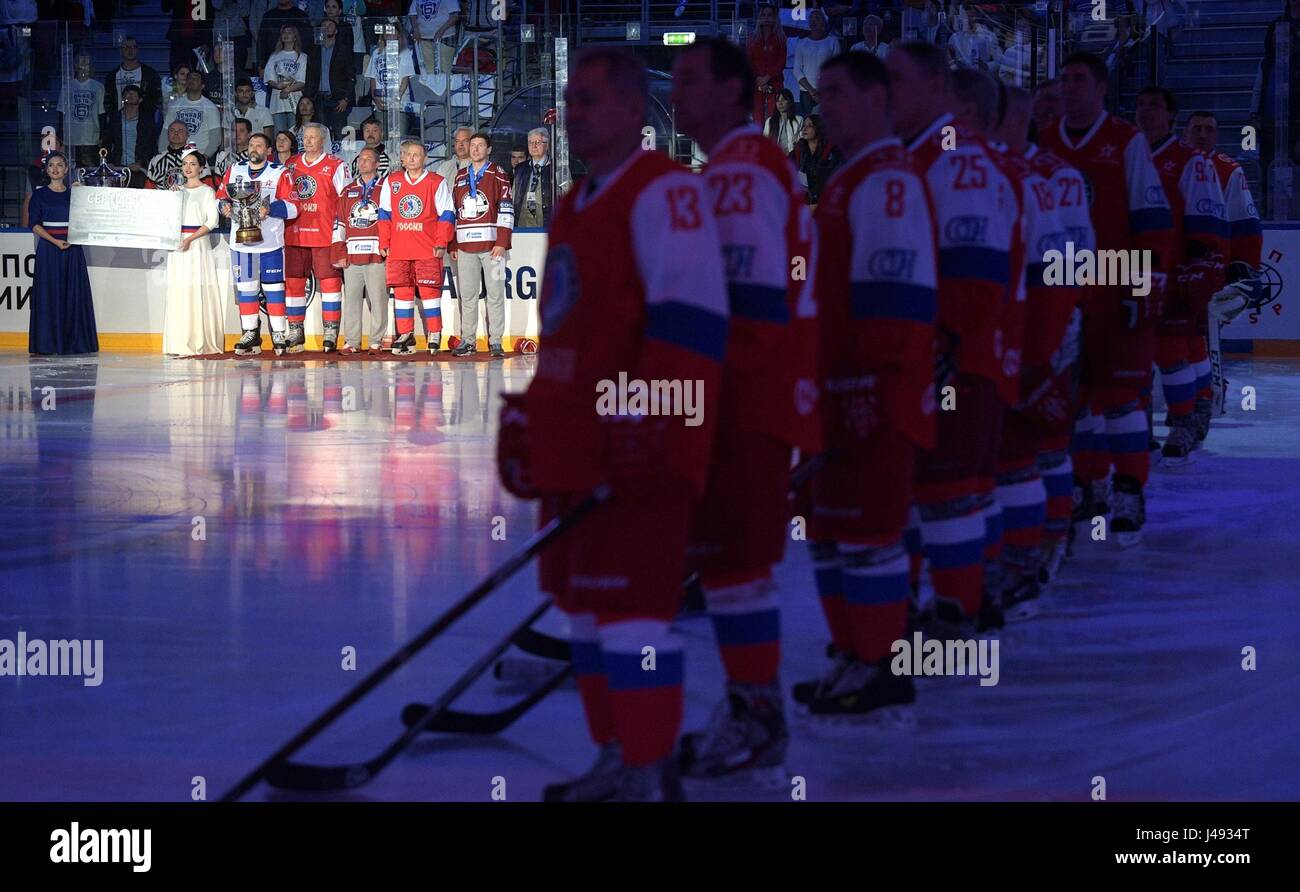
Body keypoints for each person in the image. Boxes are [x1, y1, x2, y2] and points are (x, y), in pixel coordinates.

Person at [500, 46, 728, 802]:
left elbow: (692, 324)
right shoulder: (575, 201)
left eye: (590, 99)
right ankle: (614, 760)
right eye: (570, 99)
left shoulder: (667, 193)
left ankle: (649, 765)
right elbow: (566, 330)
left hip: (639, 455)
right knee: (589, 614)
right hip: (580, 452)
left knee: (636, 619)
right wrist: (532, 419)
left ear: (635, 111)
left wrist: (653, 423)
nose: (573, 112)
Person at [667, 37, 819, 773]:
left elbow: (752, 299)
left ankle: (758, 714)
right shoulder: (735, 166)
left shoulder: (743, 169)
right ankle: (754, 708)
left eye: (692, 79)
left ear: (733, 92)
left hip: (745, 395)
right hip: (746, 390)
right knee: (731, 561)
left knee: (738, 561)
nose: (676, 91)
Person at [885, 41, 1018, 636]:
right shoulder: (912, 156)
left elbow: (974, 268)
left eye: (897, 79)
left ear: (936, 90)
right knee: (921, 492)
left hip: (957, 364)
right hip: (928, 360)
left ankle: (960, 615)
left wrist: (949, 346)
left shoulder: (957, 157)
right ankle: (945, 606)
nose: (885, 90)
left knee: (948, 491)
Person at [1038, 51, 1174, 547]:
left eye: (1078, 80)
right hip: (1058, 288)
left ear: (1100, 89)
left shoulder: (1126, 141)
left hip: (1112, 285)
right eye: (1064, 80)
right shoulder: (1046, 142)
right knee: (1074, 403)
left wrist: (1143, 286)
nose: (1068, 88)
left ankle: (1128, 489)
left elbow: (1153, 221)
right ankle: (1086, 485)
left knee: (1119, 399)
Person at [999, 85, 1095, 591]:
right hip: (1003, 335)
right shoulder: (987, 170)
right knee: (1007, 450)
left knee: (1049, 441)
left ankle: (1052, 541)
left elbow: (1077, 255)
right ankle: (1014, 550)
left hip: (1052, 326)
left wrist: (1057, 328)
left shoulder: (1058, 176)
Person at [1134, 86, 1228, 466]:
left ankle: (1184, 421)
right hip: (1129, 267)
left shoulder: (1190, 160)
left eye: (1154, 105)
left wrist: (1200, 268)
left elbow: (1207, 222)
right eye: (1140, 105)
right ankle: (1137, 425)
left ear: (1171, 116)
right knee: (1134, 350)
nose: (1145, 112)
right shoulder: (1128, 154)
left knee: (1173, 351)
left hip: (1174, 272)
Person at [1184, 109, 1264, 444]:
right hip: (1172, 270)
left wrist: (1245, 268)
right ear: (1184, 131)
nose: (1203, 134)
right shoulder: (1166, 163)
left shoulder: (1229, 170)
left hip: (1212, 272)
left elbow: (1246, 227)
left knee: (1203, 339)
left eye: (1210, 129)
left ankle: (1204, 402)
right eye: (1197, 128)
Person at [218, 131, 300, 355]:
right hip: (241, 243)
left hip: (270, 243)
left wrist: (270, 209)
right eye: (251, 145)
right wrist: (223, 207)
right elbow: (220, 197)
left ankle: (279, 334)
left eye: (259, 145)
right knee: (246, 289)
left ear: (268, 151)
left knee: (274, 289)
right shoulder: (235, 170)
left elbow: (293, 207)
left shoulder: (280, 172)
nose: (254, 148)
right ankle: (250, 333)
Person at [378, 139, 455, 355]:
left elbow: (447, 214)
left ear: (425, 159)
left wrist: (442, 242)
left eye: (416, 155)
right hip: (399, 248)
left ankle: (434, 333)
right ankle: (406, 334)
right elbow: (384, 215)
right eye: (407, 154)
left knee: (430, 292)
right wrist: (384, 242)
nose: (411, 158)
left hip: (427, 248)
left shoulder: (436, 182)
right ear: (401, 158)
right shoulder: (391, 181)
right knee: (402, 292)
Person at [284, 121, 352, 352]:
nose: (308, 141)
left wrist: (340, 234)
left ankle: (330, 333)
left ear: (323, 140)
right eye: (305, 137)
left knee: (331, 284)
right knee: (294, 284)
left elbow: (347, 200)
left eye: (313, 137)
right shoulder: (291, 164)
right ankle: (295, 332)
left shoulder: (336, 165)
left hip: (325, 236)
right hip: (294, 234)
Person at [449, 131, 513, 358]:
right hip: (465, 247)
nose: (475, 149)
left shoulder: (498, 173)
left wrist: (502, 242)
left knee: (495, 294)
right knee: (467, 296)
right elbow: (454, 212)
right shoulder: (459, 176)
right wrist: (453, 244)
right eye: (472, 145)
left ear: (489, 150)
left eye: (479, 145)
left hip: (492, 248)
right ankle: (468, 341)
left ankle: (495, 341)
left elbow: (506, 207)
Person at [27, 152, 98, 355]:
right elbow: (34, 224)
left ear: (67, 169)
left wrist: (82, 193)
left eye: (60, 165)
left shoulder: (75, 193)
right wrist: (55, 241)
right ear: (47, 170)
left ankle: (74, 343)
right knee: (50, 295)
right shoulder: (39, 195)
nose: (55, 169)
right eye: (51, 165)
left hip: (72, 249)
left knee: (73, 294)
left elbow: (89, 217)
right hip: (49, 250)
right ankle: (49, 343)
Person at [163, 149, 225, 356]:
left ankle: (198, 341)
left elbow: (212, 221)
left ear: (200, 167)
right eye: (185, 164)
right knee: (180, 290)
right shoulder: (177, 191)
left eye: (192, 164)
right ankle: (179, 342)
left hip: (197, 244)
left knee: (197, 290)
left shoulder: (207, 192)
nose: (188, 168)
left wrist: (190, 239)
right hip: (178, 244)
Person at [333, 145, 387, 353]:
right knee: (352, 300)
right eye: (360, 159)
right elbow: (339, 223)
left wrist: (387, 246)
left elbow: (389, 220)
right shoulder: (348, 190)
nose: (362, 162)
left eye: (367, 159)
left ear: (376, 164)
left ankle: (376, 340)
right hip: (352, 255)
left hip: (376, 254)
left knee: (378, 299)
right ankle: (352, 341)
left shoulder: (386, 187)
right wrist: (339, 251)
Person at [102, 83, 158, 187]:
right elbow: (107, 142)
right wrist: (108, 161)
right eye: (127, 94)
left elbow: (152, 145)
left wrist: (141, 163)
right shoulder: (114, 118)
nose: (130, 96)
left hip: (139, 169)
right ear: (123, 98)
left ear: (140, 99)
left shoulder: (147, 120)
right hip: (117, 168)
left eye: (133, 94)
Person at [364, 28, 416, 138]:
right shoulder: (377, 52)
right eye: (387, 33)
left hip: (399, 105)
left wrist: (395, 99)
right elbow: (373, 77)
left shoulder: (405, 52)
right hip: (380, 104)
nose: (389, 35)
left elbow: (405, 80)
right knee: (381, 139)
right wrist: (375, 99)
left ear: (398, 35)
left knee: (398, 139)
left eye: (393, 33)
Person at [158, 69, 222, 157]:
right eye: (189, 78)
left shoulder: (210, 107)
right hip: (176, 156)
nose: (192, 80)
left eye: (195, 79)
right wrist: (163, 155)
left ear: (202, 86)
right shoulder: (175, 105)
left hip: (200, 155)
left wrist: (205, 157)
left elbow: (216, 136)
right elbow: (165, 132)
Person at [309, 16, 355, 138]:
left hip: (337, 99)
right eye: (324, 26)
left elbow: (351, 76)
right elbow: (310, 75)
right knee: (321, 136)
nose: (327, 28)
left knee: (340, 133)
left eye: (330, 25)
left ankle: (343, 157)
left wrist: (346, 98)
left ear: (336, 31)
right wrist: (309, 97)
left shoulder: (343, 49)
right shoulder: (314, 50)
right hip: (318, 98)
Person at [59, 54, 104, 168]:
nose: (83, 66)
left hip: (91, 140)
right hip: (71, 140)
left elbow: (102, 114)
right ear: (75, 66)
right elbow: (61, 113)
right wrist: (61, 138)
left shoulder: (98, 87)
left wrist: (102, 136)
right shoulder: (67, 87)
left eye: (86, 63)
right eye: (81, 63)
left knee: (91, 173)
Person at [104, 37, 163, 122]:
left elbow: (157, 101)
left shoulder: (150, 74)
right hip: (119, 123)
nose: (130, 50)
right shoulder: (112, 76)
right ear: (121, 50)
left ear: (137, 49)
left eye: (133, 47)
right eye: (126, 47)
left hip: (144, 122)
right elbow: (108, 102)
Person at [789, 113, 841, 208]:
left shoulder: (832, 152)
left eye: (810, 126)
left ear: (819, 128)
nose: (804, 129)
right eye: (804, 126)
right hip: (804, 204)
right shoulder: (797, 152)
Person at [747, 2, 786, 125]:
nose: (766, 17)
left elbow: (781, 62)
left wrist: (767, 78)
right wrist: (758, 80)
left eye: (769, 15)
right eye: (763, 15)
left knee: (773, 118)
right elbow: (748, 62)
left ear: (774, 18)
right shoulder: (752, 38)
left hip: (775, 83)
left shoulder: (780, 38)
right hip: (756, 84)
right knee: (757, 119)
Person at [265, 24, 309, 133]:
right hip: (277, 101)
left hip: (295, 100)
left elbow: (302, 81)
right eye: (284, 33)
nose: (286, 35)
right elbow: (269, 77)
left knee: (294, 133)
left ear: (295, 37)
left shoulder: (302, 57)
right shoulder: (274, 56)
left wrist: (287, 89)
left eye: (289, 33)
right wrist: (276, 85)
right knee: (279, 134)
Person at [793, 9, 839, 114]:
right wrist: (812, 92)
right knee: (809, 123)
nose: (813, 21)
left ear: (823, 21)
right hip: (806, 92)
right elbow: (797, 70)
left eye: (817, 18)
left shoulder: (833, 41)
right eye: (811, 18)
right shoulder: (801, 43)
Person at [511, 126, 552, 229]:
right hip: (523, 225)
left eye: (537, 142)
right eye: (530, 143)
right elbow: (514, 196)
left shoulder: (556, 168)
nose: (533, 146)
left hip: (548, 225)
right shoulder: (520, 169)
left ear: (547, 145)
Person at [408, 0, 459, 74]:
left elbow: (455, 16)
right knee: (428, 69)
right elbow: (412, 14)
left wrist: (441, 31)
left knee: (445, 68)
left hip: (445, 36)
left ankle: (446, 85)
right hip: (424, 37)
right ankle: (430, 85)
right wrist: (416, 30)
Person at [258, 0, 313, 68]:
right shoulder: (268, 16)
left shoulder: (301, 16)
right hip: (272, 64)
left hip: (296, 64)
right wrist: (261, 66)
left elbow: (307, 43)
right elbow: (261, 42)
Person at [148, 121, 199, 188]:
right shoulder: (156, 159)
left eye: (180, 131)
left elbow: (207, 187)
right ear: (168, 134)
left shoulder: (197, 159)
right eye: (172, 130)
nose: (176, 133)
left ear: (187, 135)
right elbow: (148, 189)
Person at [763, 87, 802, 153]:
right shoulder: (770, 121)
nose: (780, 103)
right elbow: (765, 142)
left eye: (783, 100)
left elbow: (800, 141)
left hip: (792, 156)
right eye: (778, 100)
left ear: (790, 102)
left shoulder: (799, 120)